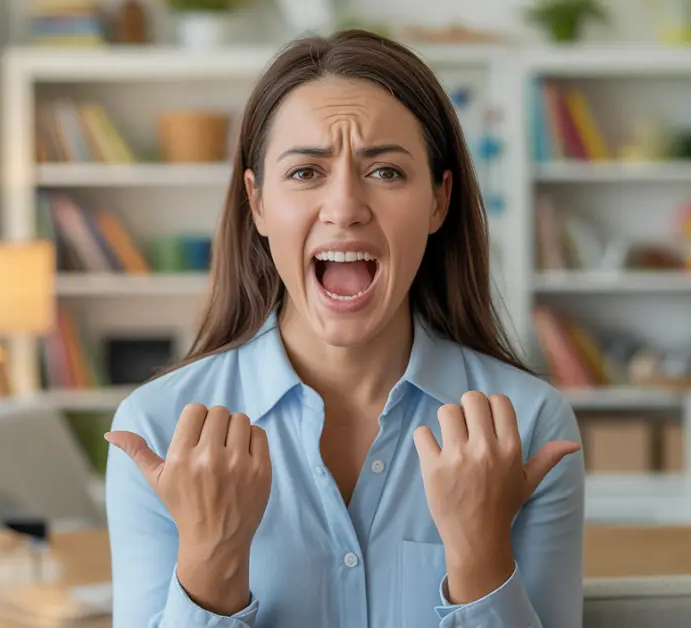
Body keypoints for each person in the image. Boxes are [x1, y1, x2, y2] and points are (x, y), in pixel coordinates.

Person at [103, 29, 584, 628]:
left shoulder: (529, 425)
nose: (345, 206)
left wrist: (480, 554)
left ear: (439, 200)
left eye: (385, 171)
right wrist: (211, 559)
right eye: (306, 172)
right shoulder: (156, 432)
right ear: (257, 203)